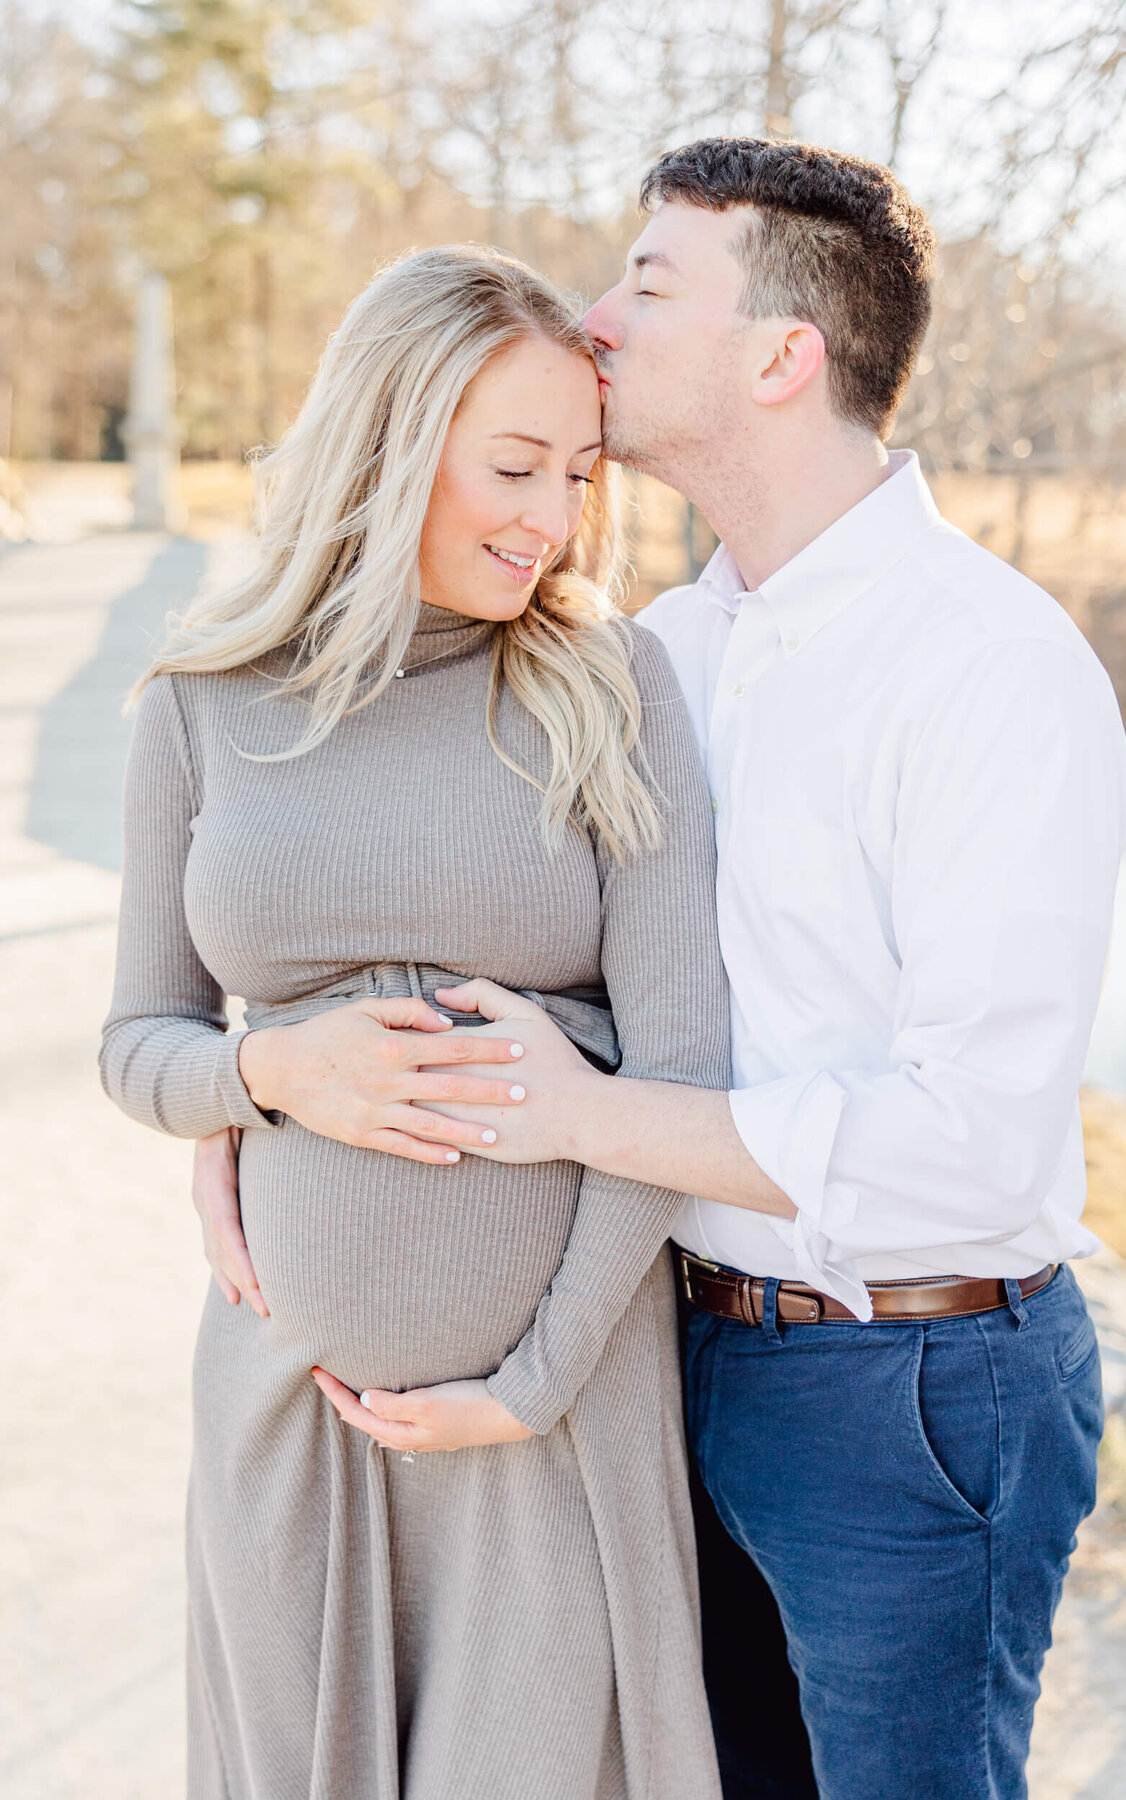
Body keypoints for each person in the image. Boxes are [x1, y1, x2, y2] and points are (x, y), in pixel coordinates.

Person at [197, 140, 1126, 1798]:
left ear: (784, 356)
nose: (597, 314)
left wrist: (586, 1118)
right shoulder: (659, 654)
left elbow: (970, 1136)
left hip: (906, 1384)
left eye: (652, 280)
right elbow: (399, 864)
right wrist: (256, 1093)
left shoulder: (989, 665)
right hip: (671, 1364)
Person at [100, 244, 731, 1800]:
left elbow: (683, 1071)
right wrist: (268, 1071)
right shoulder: (202, 700)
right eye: (515, 465)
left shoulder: (612, 682)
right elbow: (138, 1045)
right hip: (287, 1418)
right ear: (387, 444)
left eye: (580, 473)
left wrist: (535, 1381)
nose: (555, 516)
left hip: (551, 1428)